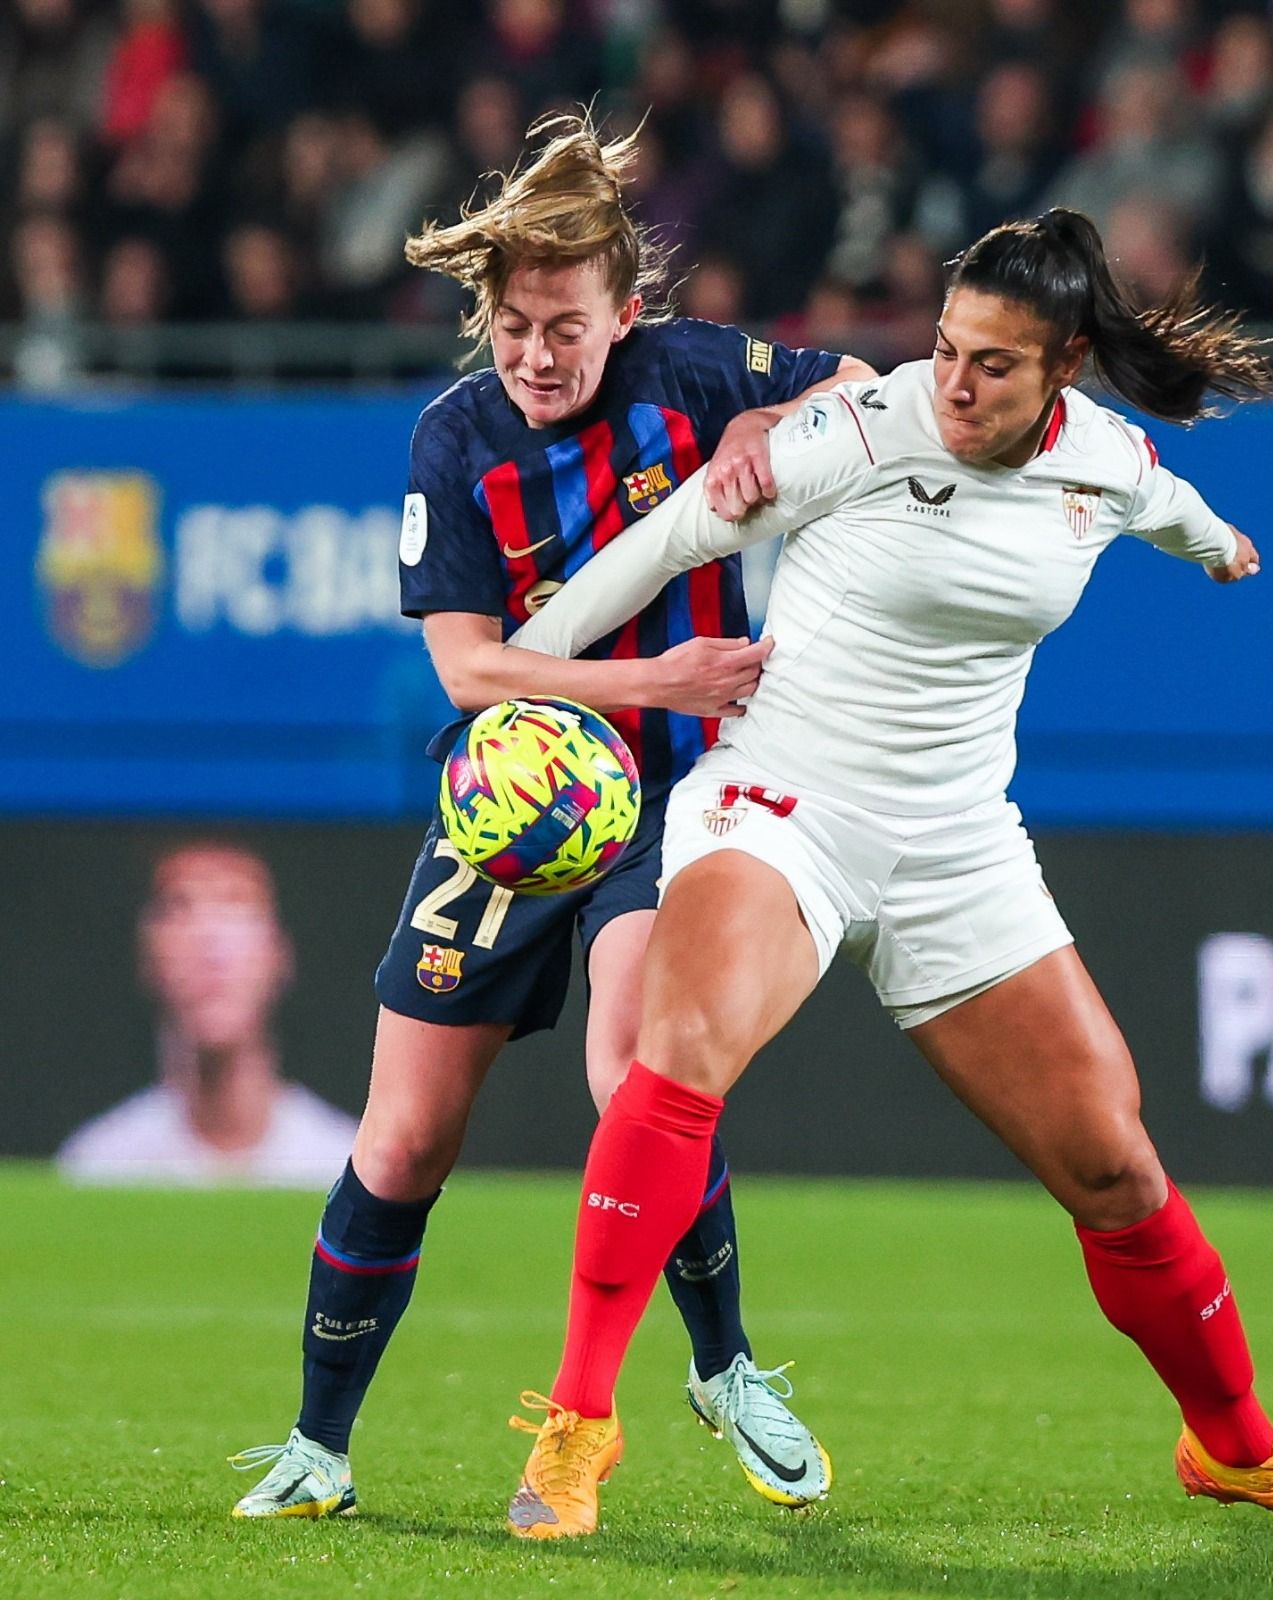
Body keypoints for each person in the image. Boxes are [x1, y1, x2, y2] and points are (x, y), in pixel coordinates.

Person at [504, 208, 1273, 1539]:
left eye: (993, 362)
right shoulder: (861, 431)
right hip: (785, 798)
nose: (956, 383)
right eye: (944, 348)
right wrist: (529, 669)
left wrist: (1222, 547)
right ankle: (579, 1429)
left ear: (1069, 366)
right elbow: (668, 544)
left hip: (958, 841)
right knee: (677, 1058)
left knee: (1116, 1168)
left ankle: (1239, 1448)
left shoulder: (1106, 462)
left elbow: (1175, 508)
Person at [228, 112, 874, 1523]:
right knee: (400, 1142)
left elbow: (871, 386)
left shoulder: (693, 372)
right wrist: (661, 672)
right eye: (513, 324)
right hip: (513, 805)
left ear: (623, 313)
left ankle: (725, 1367)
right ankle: (318, 1447)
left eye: (564, 327)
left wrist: (782, 418)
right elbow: (466, 668)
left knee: (636, 1069)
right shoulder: (452, 440)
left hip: (671, 799)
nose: (535, 353)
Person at [58, 842, 356, 1187]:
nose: (209, 940)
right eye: (179, 906)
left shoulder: (343, 1171)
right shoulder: (99, 1170)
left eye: (237, 903)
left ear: (281, 951)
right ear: (146, 954)